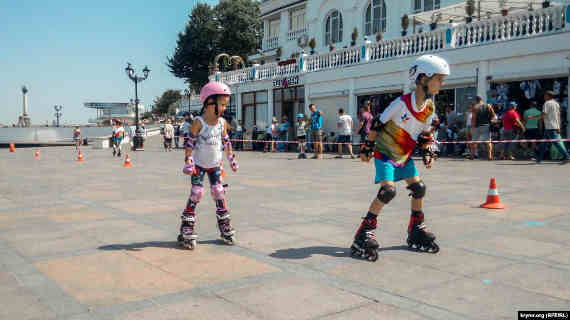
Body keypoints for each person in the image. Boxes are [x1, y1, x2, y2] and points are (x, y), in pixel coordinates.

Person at [352, 55, 449, 261]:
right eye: (439, 79)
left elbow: (425, 134)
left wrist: (428, 151)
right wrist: (368, 147)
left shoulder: (430, 108)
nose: (442, 83)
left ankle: (416, 228)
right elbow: (378, 123)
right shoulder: (401, 103)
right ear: (423, 78)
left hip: (404, 156)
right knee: (388, 191)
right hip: (386, 153)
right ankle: (364, 232)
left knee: (419, 188)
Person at [178, 81, 239, 249]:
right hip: (199, 165)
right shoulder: (198, 122)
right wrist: (188, 160)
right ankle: (187, 226)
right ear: (209, 102)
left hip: (215, 165)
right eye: (222, 105)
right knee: (197, 192)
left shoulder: (221, 123)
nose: (224, 108)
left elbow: (226, 142)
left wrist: (231, 159)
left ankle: (225, 225)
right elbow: (189, 143)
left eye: (226, 105)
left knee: (219, 192)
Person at [534, 91, 570, 164]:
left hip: (550, 127)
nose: (544, 97)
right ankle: (539, 159)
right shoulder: (556, 104)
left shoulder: (547, 103)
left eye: (545, 95)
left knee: (555, 143)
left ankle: (567, 156)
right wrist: (559, 126)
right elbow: (558, 116)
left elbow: (544, 114)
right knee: (544, 144)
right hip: (553, 126)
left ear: (548, 96)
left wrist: (533, 117)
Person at [471, 96, 497, 160]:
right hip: (487, 125)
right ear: (482, 99)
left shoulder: (475, 107)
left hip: (477, 126)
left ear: (476, 100)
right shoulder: (488, 106)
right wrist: (492, 121)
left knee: (474, 141)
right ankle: (490, 156)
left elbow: (473, 118)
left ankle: (472, 156)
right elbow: (494, 116)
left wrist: (472, 127)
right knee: (488, 141)